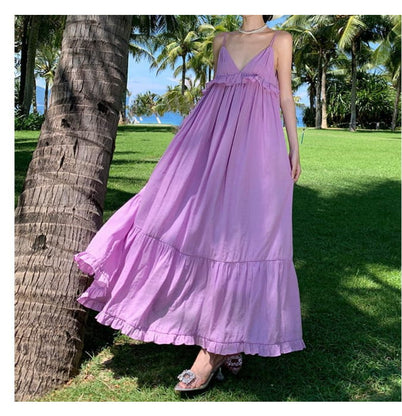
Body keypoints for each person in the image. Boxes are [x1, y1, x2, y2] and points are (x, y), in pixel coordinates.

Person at [74, 14, 305, 395]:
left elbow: (284, 95)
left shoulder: (280, 39)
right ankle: (226, 339)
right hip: (206, 145)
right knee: (183, 217)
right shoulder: (220, 40)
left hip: (256, 149)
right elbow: (215, 97)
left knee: (245, 236)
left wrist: (294, 148)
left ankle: (218, 349)